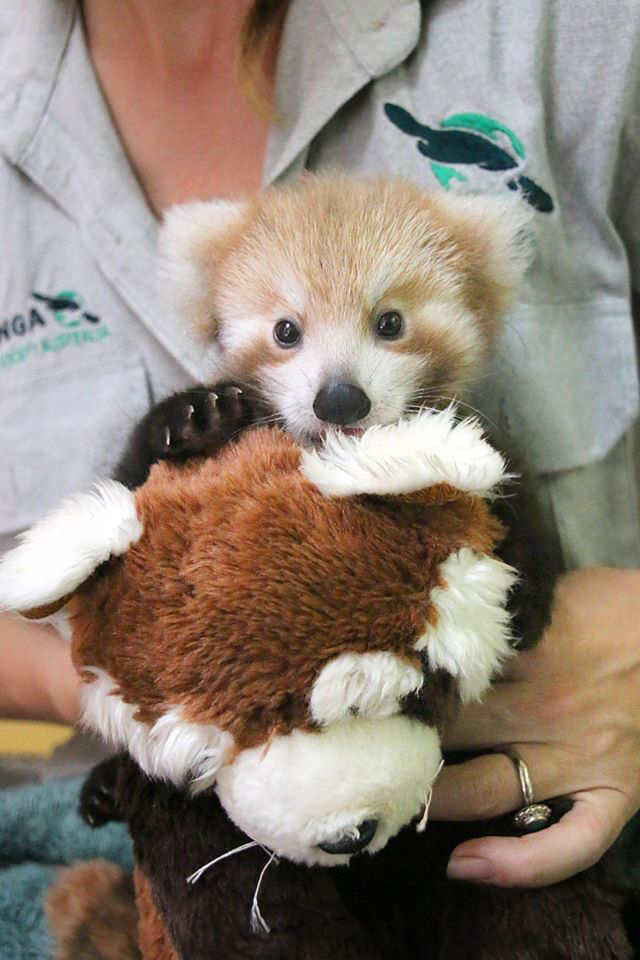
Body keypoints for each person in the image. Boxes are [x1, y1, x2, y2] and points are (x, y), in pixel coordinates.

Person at [0, 0, 638, 890]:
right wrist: (174, 699)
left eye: (387, 326)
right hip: (144, 851)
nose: (337, 385)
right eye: (290, 333)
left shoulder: (575, 28)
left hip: (540, 823)